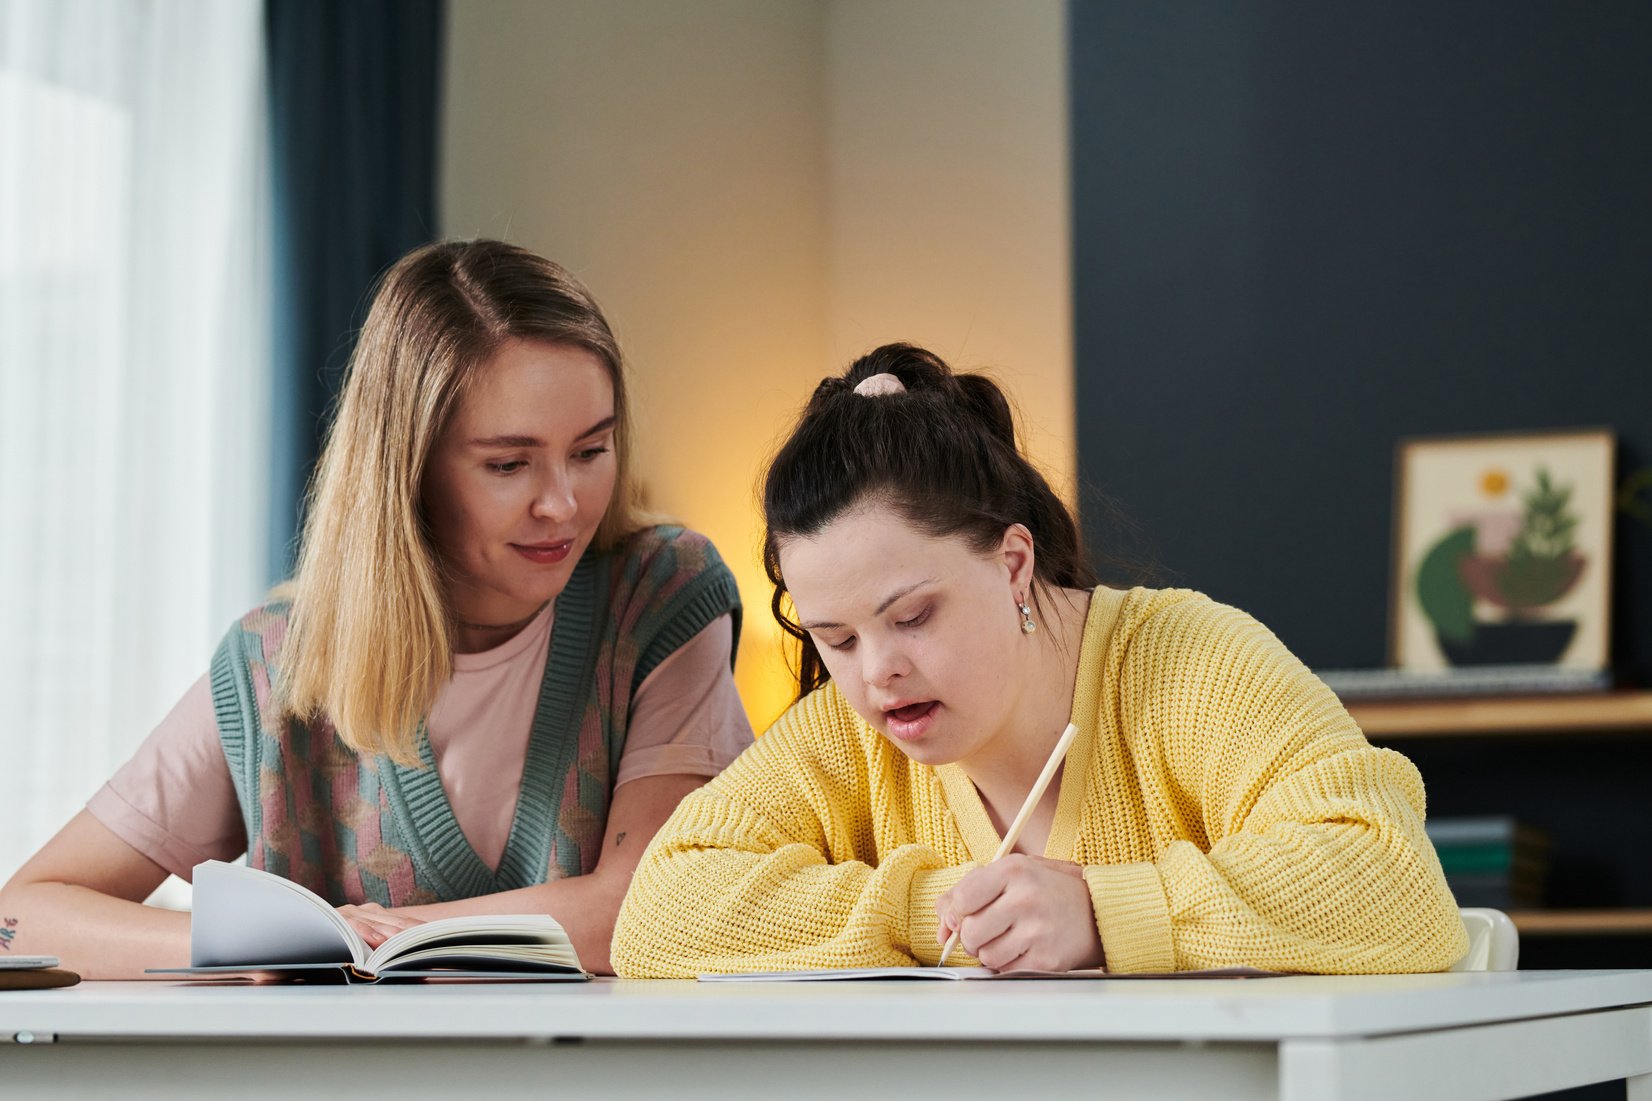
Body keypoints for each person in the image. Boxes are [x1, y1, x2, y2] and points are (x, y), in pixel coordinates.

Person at [0, 240, 752, 978]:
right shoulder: (275, 665)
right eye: (508, 464)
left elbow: (643, 905)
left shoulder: (661, 593)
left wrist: (363, 936)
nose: (562, 503)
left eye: (591, 450)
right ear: (409, 470)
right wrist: (248, 942)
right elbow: (21, 916)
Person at [611, 343, 1467, 977]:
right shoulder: (852, 733)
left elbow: (1394, 879)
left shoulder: (1191, 665)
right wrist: (926, 908)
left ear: (1013, 562)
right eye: (836, 639)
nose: (877, 674)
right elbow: (659, 912)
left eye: (911, 615)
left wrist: (1104, 912)